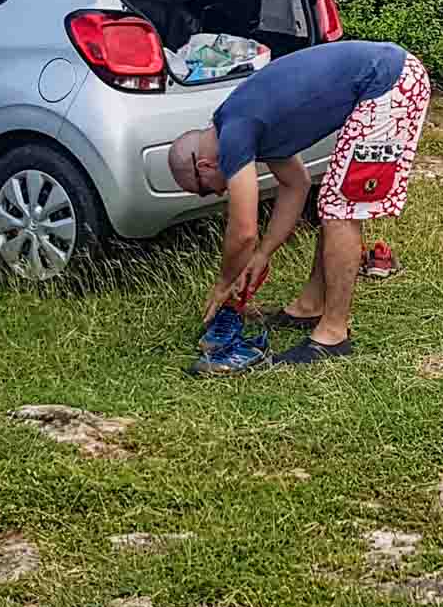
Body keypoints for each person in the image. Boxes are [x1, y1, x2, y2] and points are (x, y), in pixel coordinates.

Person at [169, 38, 428, 370]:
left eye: (205, 190)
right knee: (333, 202)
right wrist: (263, 255)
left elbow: (244, 230)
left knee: (341, 207)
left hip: (389, 81)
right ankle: (310, 306)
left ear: (204, 167)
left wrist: (224, 283)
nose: (216, 194)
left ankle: (334, 334)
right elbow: (295, 184)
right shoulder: (242, 122)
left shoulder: (232, 132)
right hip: (388, 78)